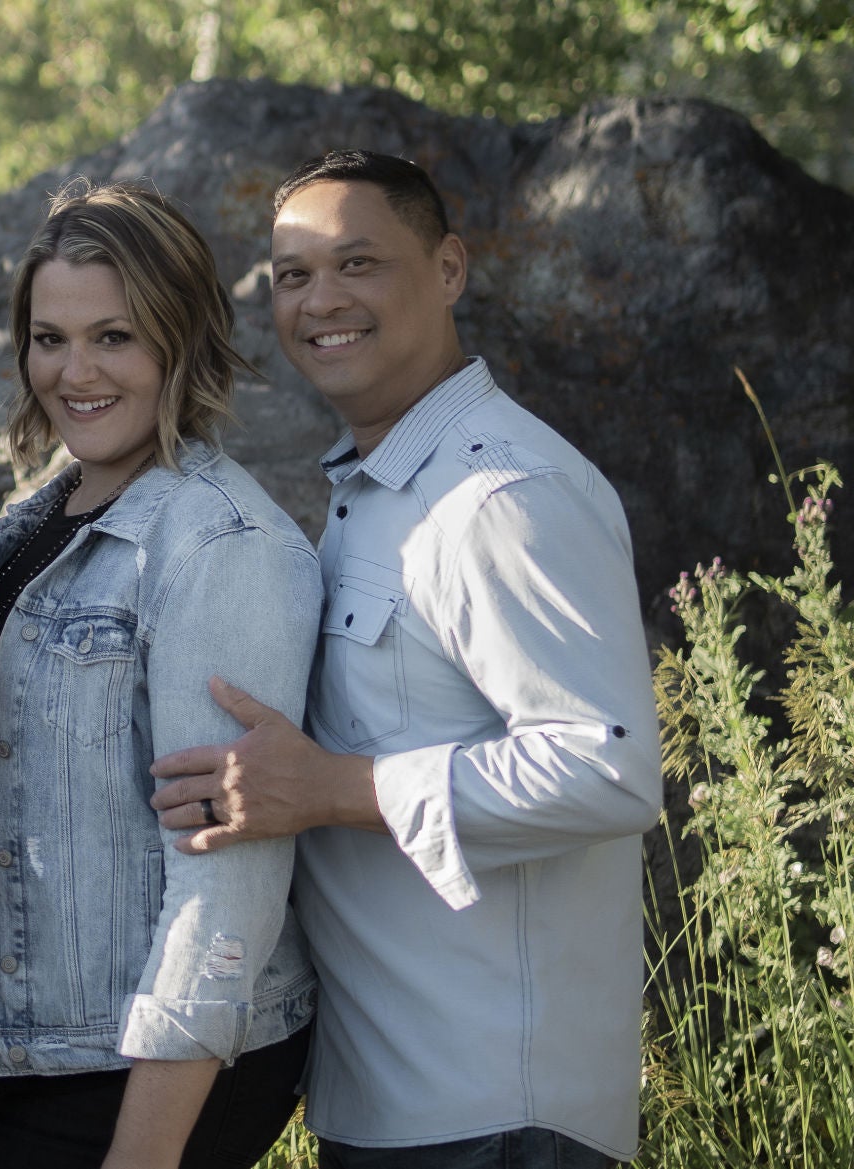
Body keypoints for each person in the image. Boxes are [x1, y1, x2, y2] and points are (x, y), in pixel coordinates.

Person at [150, 150, 663, 1167]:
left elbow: (605, 768)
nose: (320, 300)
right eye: (292, 275)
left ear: (449, 269)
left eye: (358, 263)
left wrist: (333, 787)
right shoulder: (382, 492)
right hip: (390, 1101)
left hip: (495, 1115)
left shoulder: (503, 495)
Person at [0, 180, 322, 1169]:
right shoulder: (35, 516)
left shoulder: (214, 548)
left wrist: (142, 1152)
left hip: (145, 1068)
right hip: (48, 1045)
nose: (75, 371)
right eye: (50, 337)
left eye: (114, 336)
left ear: (180, 339)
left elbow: (229, 881)